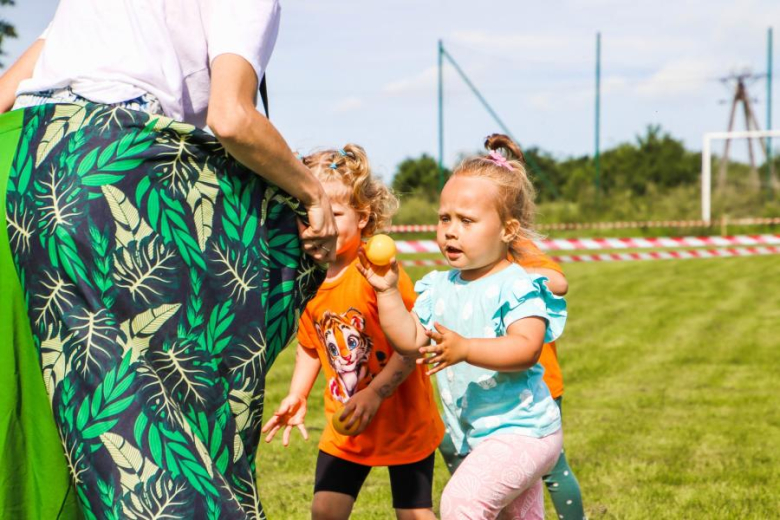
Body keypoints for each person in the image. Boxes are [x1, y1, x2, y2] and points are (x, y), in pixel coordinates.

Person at [0, 1, 337, 518]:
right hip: (112, 174)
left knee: (49, 429)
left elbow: (6, 94)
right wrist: (313, 195)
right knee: (155, 431)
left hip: (20, 170)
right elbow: (232, 117)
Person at [359, 134, 567, 519]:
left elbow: (527, 348)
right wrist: (387, 293)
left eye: (466, 221)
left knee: (461, 503)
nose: (451, 231)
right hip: (483, 435)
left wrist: (466, 348)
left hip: (525, 432)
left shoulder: (518, 283)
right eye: (444, 219)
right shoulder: (439, 287)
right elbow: (410, 342)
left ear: (508, 230)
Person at [262, 145, 444, 520]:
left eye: (335, 214)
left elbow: (412, 345)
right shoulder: (307, 280)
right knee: (325, 512)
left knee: (414, 514)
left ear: (363, 218)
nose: (319, 225)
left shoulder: (379, 275)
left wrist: (376, 393)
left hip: (403, 422)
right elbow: (310, 347)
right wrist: (297, 394)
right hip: (346, 426)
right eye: (307, 214)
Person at [516, 240, 586, 520]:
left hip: (540, 384)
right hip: (492, 385)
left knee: (553, 465)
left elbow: (558, 282)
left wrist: (509, 276)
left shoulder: (517, 248)